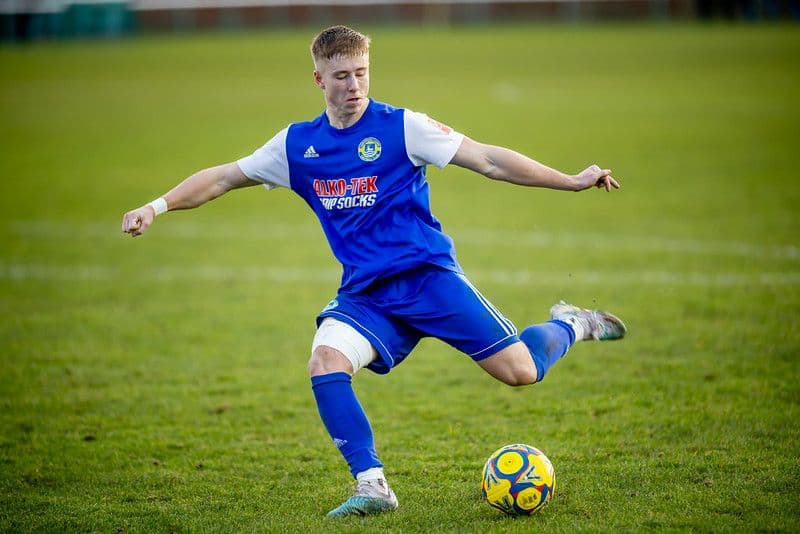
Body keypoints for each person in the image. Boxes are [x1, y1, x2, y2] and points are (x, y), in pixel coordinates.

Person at [121, 25, 626, 518]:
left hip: (429, 280)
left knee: (521, 373)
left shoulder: (403, 127)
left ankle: (572, 322)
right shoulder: (297, 146)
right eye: (341, 75)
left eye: (362, 73)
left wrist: (571, 181)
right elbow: (223, 178)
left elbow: (489, 160)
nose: (355, 86)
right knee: (324, 363)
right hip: (367, 294)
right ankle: (373, 485)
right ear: (319, 79)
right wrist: (156, 206)